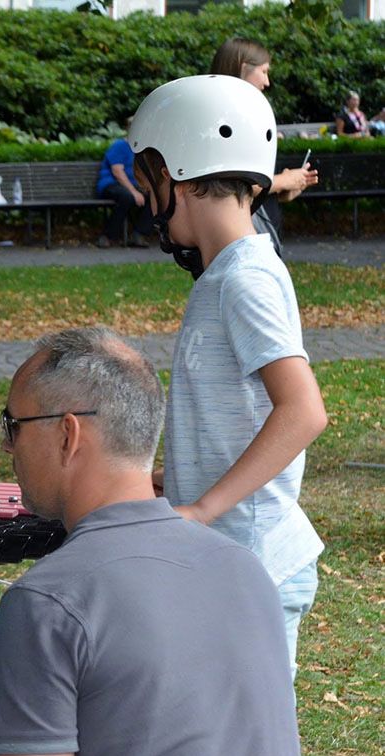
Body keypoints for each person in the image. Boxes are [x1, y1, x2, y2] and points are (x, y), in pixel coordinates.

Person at [0, 326, 301, 756]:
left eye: (12, 425)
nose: (5, 446)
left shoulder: (49, 603)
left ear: (67, 436)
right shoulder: (245, 567)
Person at [130, 75, 328, 675]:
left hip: (250, 559)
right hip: (232, 554)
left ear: (178, 177)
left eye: (149, 183)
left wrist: (203, 508)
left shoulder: (243, 279)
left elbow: (303, 411)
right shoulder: (228, 274)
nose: (146, 200)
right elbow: (240, 410)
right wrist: (182, 477)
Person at [210, 37, 319, 258]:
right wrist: (282, 181)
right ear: (243, 68)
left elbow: (248, 189)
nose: (267, 82)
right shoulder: (228, 119)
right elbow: (232, 185)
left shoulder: (231, 114)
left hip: (251, 239)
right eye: (264, 71)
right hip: (243, 244)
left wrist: (281, 193)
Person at [95, 125, 152, 248]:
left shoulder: (140, 149)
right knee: (127, 197)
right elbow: (117, 172)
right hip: (111, 184)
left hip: (131, 186)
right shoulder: (119, 146)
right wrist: (134, 192)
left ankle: (138, 234)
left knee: (155, 197)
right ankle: (107, 236)